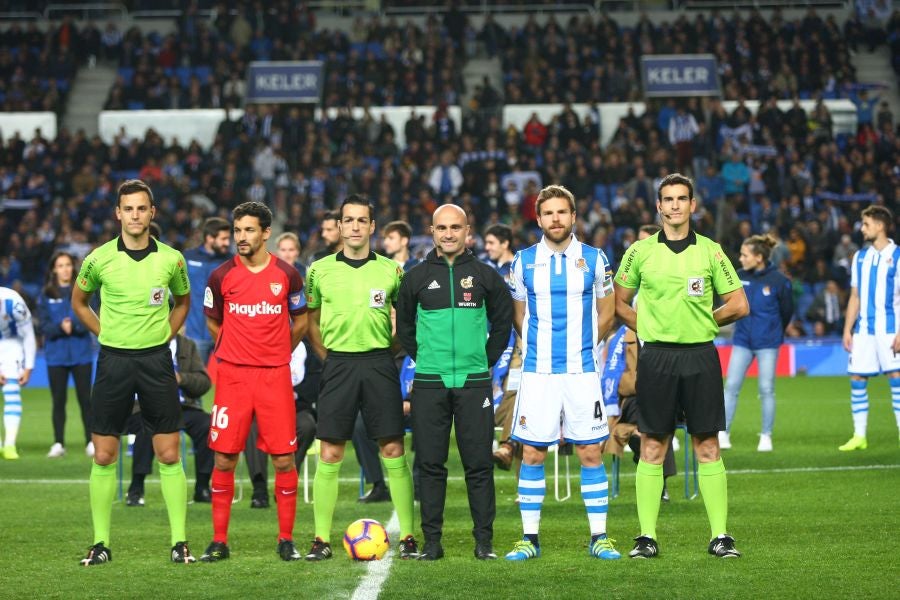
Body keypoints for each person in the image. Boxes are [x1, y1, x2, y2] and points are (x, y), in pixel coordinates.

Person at [614, 173, 749, 560]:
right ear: (659, 206)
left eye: (681, 199)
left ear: (692, 205)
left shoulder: (711, 251)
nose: (675, 205)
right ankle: (646, 537)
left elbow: (739, 304)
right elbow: (618, 302)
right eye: (668, 199)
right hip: (656, 357)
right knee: (653, 444)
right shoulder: (639, 252)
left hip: (700, 355)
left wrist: (706, 321)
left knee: (707, 444)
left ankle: (720, 536)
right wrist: (647, 326)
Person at [71, 179, 194, 565]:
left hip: (156, 362)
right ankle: (100, 543)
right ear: (118, 213)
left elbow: (183, 301)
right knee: (104, 454)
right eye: (129, 209)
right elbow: (79, 301)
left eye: (142, 208)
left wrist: (165, 335)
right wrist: (104, 332)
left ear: (152, 213)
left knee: (168, 453)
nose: (135, 215)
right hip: (114, 362)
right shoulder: (98, 259)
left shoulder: (172, 259)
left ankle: (179, 543)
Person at [504, 184, 621, 562]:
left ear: (573, 217)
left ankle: (599, 537)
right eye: (548, 213)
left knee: (590, 451)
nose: (555, 219)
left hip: (581, 372)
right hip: (538, 373)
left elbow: (608, 311)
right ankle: (529, 539)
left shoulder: (595, 259)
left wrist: (585, 347)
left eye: (562, 212)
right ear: (538, 219)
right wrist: (536, 348)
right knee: (532, 453)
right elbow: (518, 315)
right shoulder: (522, 262)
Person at [304, 194, 419, 561]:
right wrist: (328, 357)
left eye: (361, 220)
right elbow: (311, 320)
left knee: (393, 449)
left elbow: (405, 321)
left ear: (372, 226)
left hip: (379, 364)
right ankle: (320, 540)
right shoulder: (318, 270)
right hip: (338, 365)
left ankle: (409, 537)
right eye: (348, 220)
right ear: (339, 226)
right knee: (330, 451)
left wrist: (389, 349)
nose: (354, 226)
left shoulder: (392, 271)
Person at [396, 204, 513, 560]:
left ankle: (484, 542)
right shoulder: (414, 277)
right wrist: (426, 359)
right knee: (430, 465)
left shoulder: (485, 276)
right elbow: (405, 328)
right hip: (429, 383)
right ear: (432, 232)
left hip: (473, 382)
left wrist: (484, 361)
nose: (448, 233)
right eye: (442, 228)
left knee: (478, 464)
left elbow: (503, 322)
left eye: (455, 227)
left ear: (467, 232)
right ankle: (432, 543)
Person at [199, 201, 308, 562]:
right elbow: (213, 321)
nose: (241, 237)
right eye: (237, 230)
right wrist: (232, 348)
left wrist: (279, 351)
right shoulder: (220, 276)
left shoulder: (288, 275)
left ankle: (286, 539)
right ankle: (219, 541)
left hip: (274, 377)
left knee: (284, 460)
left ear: (265, 233)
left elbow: (301, 320)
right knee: (224, 459)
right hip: (233, 378)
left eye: (249, 230)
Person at [244, 229, 319, 509]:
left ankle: (285, 480)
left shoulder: (307, 344)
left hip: (295, 406)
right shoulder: (260, 341)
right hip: (263, 406)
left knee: (307, 425)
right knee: (251, 426)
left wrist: (292, 395)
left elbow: (315, 381)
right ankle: (259, 488)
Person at [721, 234, 794, 452]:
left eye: (745, 255)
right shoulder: (738, 276)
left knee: (766, 389)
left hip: (767, 343)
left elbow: (787, 312)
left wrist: (773, 331)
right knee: (731, 386)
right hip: (742, 340)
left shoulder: (780, 281)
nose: (741, 259)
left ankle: (766, 436)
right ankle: (723, 433)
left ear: (759, 257)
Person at [126, 331, 214, 506]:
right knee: (146, 427)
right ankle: (136, 488)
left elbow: (204, 382)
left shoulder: (187, 345)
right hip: (148, 408)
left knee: (208, 425)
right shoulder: (141, 342)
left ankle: (202, 487)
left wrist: (182, 378)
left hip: (183, 407)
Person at [839, 205, 900, 451]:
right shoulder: (860, 257)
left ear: (880, 226)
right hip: (864, 330)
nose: (862, 229)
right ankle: (859, 436)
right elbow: (855, 296)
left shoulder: (898, 256)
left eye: (866, 224)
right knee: (857, 378)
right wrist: (848, 329)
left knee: (896, 378)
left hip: (890, 328)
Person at [37, 251, 93, 459]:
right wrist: (60, 327)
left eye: (68, 265)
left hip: (81, 353)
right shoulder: (46, 294)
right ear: (54, 269)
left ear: (73, 267)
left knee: (85, 400)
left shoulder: (83, 290)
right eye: (60, 266)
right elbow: (43, 326)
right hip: (56, 356)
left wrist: (75, 326)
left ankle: (90, 442)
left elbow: (92, 318)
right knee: (58, 401)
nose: (65, 269)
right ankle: (59, 443)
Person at [482, 223, 521, 469]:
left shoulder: (519, 268)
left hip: (516, 342)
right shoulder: (486, 270)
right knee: (488, 396)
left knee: (516, 392)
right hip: (489, 342)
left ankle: (508, 448)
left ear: (505, 243)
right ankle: (500, 447)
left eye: (491, 243)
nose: (486, 248)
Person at [182, 217, 232, 363]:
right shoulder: (188, 258)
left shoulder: (232, 261)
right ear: (210, 238)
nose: (227, 243)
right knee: (193, 376)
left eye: (228, 239)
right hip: (194, 333)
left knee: (229, 375)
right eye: (223, 239)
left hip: (223, 334)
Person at [1, 286, 36, 460]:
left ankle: (9, 445)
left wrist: (28, 366)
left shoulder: (14, 302)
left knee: (11, 393)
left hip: (12, 345)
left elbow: (29, 335)